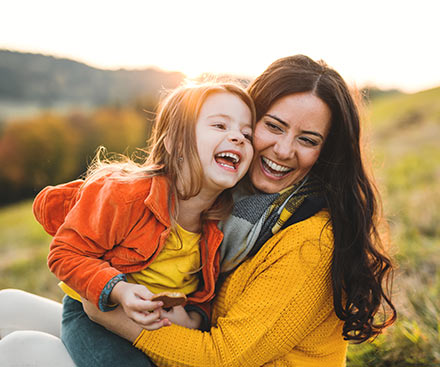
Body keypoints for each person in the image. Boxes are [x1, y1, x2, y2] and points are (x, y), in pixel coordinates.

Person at [0, 54, 396, 366]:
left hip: (210, 358)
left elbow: (223, 357)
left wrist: (107, 309)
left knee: (22, 350)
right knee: (8, 305)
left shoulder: (309, 239)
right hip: (160, 327)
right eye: (272, 126)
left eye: (307, 139)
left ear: (326, 153)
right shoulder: (235, 204)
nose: (283, 150)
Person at [0, 82, 256, 367]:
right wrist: (119, 290)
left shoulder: (219, 223)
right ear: (174, 142)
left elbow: (202, 293)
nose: (238, 138)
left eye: (247, 133)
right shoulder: (125, 195)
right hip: (94, 313)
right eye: (220, 126)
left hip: (152, 327)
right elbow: (64, 254)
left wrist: (193, 317)